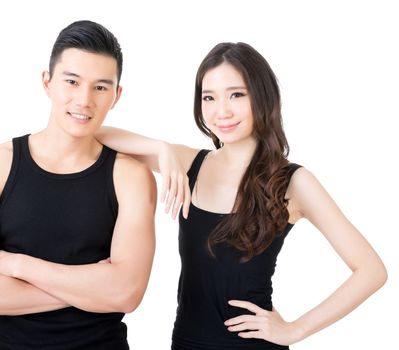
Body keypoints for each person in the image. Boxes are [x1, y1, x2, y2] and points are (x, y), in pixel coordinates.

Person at [95, 42, 387, 349]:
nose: (222, 111)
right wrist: (159, 148)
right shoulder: (190, 163)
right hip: (187, 342)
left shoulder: (293, 182)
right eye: (209, 97)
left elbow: (371, 271)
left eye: (236, 94)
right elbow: (96, 135)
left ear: (262, 97)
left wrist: (295, 330)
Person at [0, 20, 156, 350]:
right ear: (47, 82)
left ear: (116, 96)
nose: (84, 100)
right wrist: (89, 289)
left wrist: (19, 266)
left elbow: (126, 293)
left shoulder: (130, 178)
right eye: (72, 81)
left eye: (100, 87)